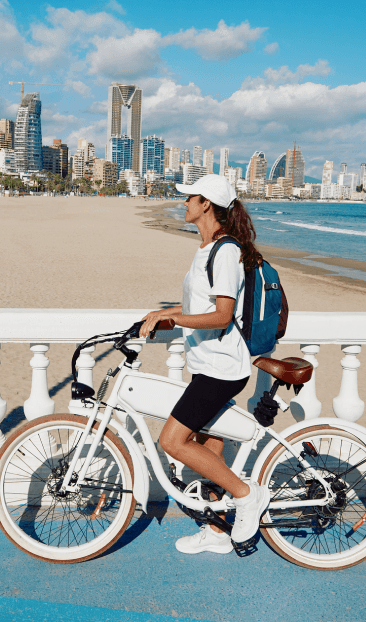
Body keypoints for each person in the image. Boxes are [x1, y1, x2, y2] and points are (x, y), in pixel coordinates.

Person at [139, 173, 270, 555]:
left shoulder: (225, 251)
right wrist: (164, 313)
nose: (184, 204)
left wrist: (176, 320)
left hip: (223, 369)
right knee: (207, 447)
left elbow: (223, 315)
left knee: (172, 440)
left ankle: (247, 496)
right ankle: (216, 530)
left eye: (189, 198)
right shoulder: (207, 248)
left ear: (206, 205)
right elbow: (203, 307)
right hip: (207, 364)